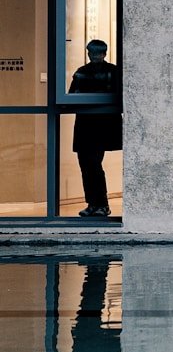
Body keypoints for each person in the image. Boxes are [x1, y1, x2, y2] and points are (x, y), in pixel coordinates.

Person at [69, 39, 122, 218]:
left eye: (97, 53)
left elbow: (72, 96)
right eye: (93, 53)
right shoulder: (110, 71)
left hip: (93, 124)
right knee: (88, 165)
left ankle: (99, 203)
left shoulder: (84, 73)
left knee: (91, 165)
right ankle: (95, 203)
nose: (95, 56)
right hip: (96, 124)